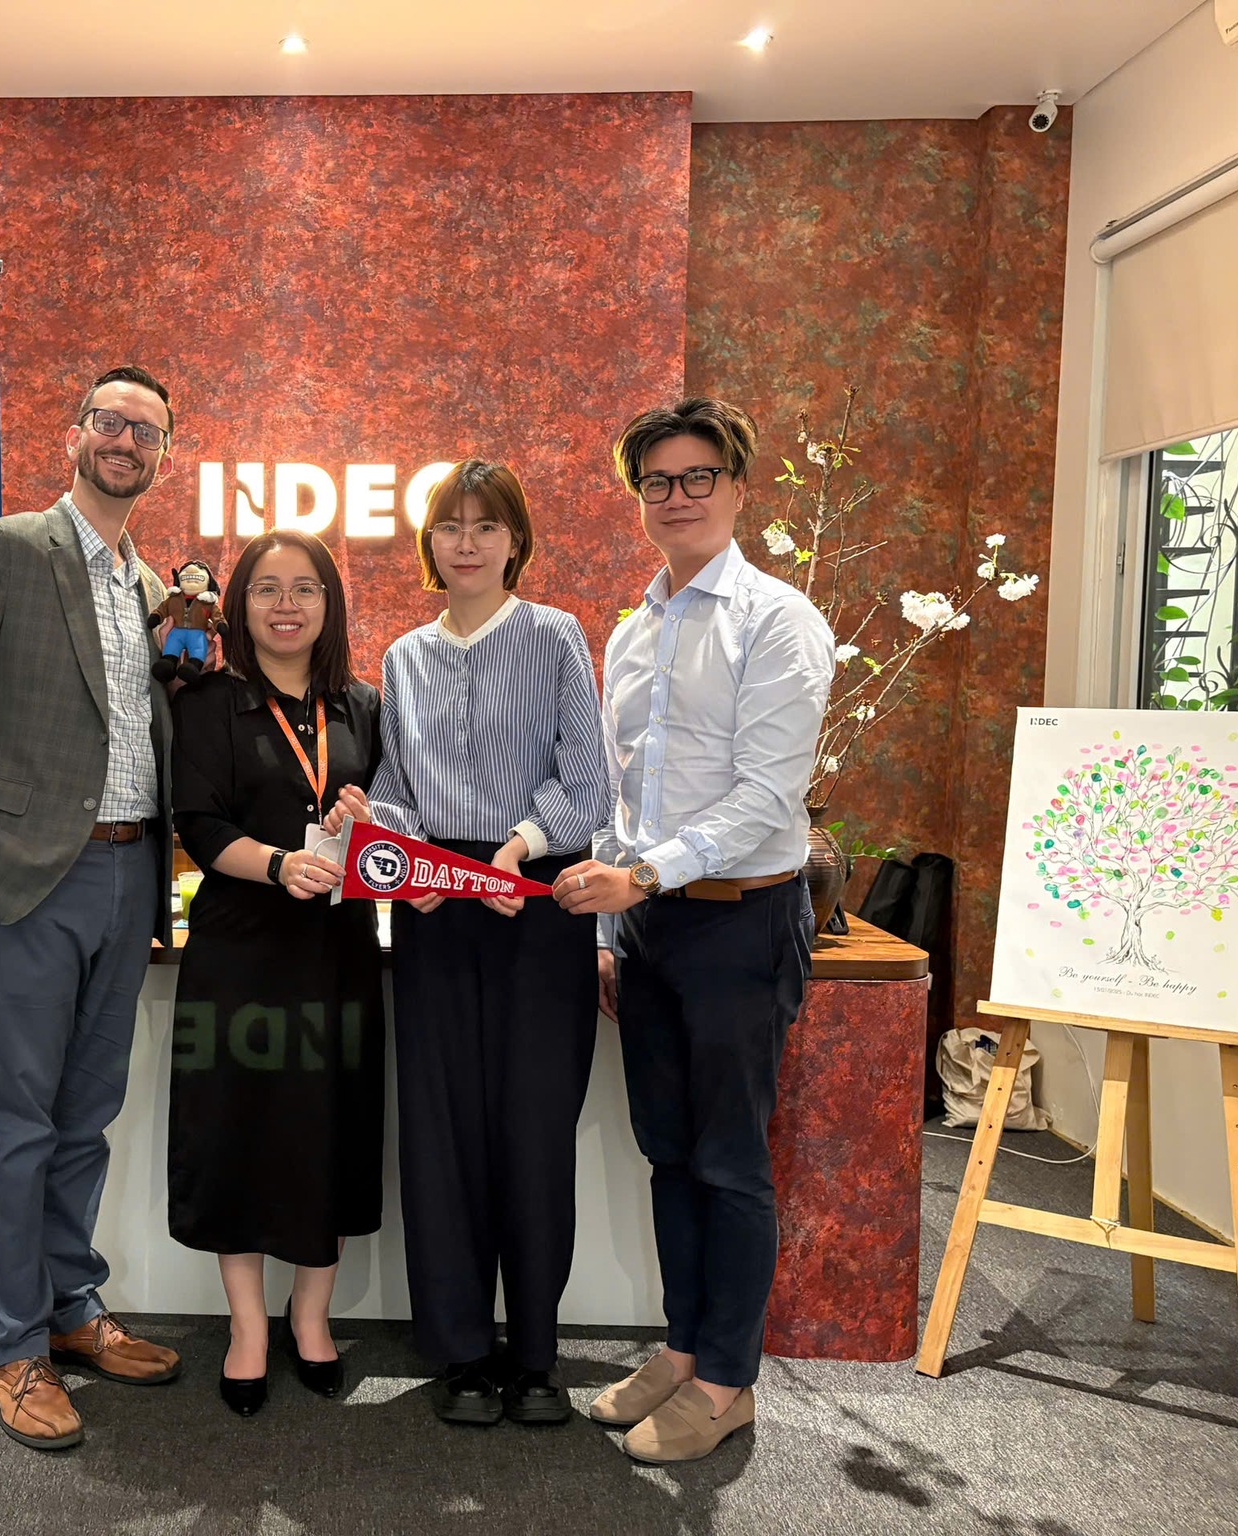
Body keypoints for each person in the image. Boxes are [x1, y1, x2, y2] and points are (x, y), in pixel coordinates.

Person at [0, 365, 185, 1452]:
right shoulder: (8, 551)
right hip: (25, 881)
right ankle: (11, 1346)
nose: (125, 441)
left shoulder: (146, 585)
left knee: (84, 1115)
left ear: (163, 455)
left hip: (129, 875)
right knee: (15, 1127)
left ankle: (70, 1309)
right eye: (109, 421)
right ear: (74, 435)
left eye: (146, 430)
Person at [554, 397, 833, 1463]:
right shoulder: (634, 631)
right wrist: (611, 924)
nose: (675, 497)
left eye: (696, 477)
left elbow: (768, 798)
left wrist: (640, 876)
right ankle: (680, 1351)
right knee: (666, 1153)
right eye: (656, 482)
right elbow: (621, 795)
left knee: (729, 1161)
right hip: (648, 931)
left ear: (738, 488)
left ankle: (726, 1382)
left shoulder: (776, 621)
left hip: (739, 924)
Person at [366, 459, 610, 1427]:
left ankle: (536, 1355)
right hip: (435, 916)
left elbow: (587, 782)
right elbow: (394, 785)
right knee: (440, 1132)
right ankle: (460, 1350)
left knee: (533, 1132)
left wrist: (518, 847)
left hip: (535, 904)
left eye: (485, 526)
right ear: (429, 542)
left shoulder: (554, 637)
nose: (465, 543)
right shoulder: (402, 657)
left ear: (515, 541)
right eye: (449, 526)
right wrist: (407, 861)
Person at [168, 529, 384, 1417]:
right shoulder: (210, 703)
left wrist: (365, 819)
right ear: (239, 605)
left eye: (305, 588)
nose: (286, 605)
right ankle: (249, 1326)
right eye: (266, 588)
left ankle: (312, 1317)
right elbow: (198, 824)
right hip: (240, 952)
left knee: (329, 1128)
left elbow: (388, 830)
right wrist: (277, 864)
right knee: (239, 1131)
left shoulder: (363, 704)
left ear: (330, 603)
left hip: (337, 955)